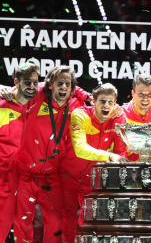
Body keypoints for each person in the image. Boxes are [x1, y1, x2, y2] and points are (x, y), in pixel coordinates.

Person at [13, 65, 98, 243]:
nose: (64, 88)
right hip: (25, 172)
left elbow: (99, 110)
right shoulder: (37, 97)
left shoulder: (77, 106)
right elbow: (20, 88)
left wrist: (84, 94)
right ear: (51, 85)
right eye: (60, 83)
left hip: (51, 175)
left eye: (68, 84)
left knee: (55, 224)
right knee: (23, 221)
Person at [59, 83, 127, 243]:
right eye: (102, 101)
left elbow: (121, 151)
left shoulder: (118, 117)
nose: (106, 106)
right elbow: (80, 149)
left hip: (93, 179)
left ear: (115, 103)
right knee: (67, 219)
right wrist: (109, 156)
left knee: (90, 222)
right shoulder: (80, 115)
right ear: (93, 101)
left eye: (111, 102)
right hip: (68, 175)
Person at [0, 62, 40, 243]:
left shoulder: (39, 104)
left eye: (35, 82)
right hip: (3, 176)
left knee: (24, 227)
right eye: (27, 83)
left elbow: (68, 86)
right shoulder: (2, 106)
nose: (32, 87)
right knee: (1, 223)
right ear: (16, 82)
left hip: (26, 176)